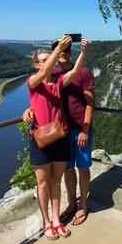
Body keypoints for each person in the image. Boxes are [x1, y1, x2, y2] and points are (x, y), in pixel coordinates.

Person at [23, 36, 95, 227]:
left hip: (71, 131)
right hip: (52, 135)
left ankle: (80, 206)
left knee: (78, 169)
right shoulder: (43, 77)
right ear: (37, 65)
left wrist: (84, 53)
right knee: (60, 175)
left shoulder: (57, 81)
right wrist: (29, 110)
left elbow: (77, 72)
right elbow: (38, 93)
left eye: (64, 51)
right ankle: (65, 210)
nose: (59, 55)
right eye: (45, 60)